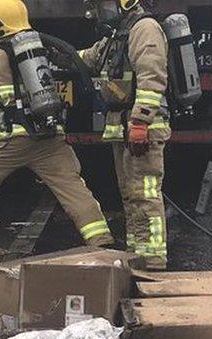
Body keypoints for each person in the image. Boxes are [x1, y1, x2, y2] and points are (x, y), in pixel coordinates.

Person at [0, 0, 113, 249]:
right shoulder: (41, 49)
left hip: (12, 141)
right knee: (73, 188)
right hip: (49, 136)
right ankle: (101, 241)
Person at [80, 0, 170, 270]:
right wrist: (49, 51)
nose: (100, 12)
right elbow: (87, 59)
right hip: (125, 129)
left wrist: (141, 121)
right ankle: (137, 255)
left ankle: (152, 261)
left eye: (105, 5)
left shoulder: (145, 29)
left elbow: (151, 78)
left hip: (143, 129)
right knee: (132, 195)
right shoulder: (117, 35)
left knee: (144, 195)